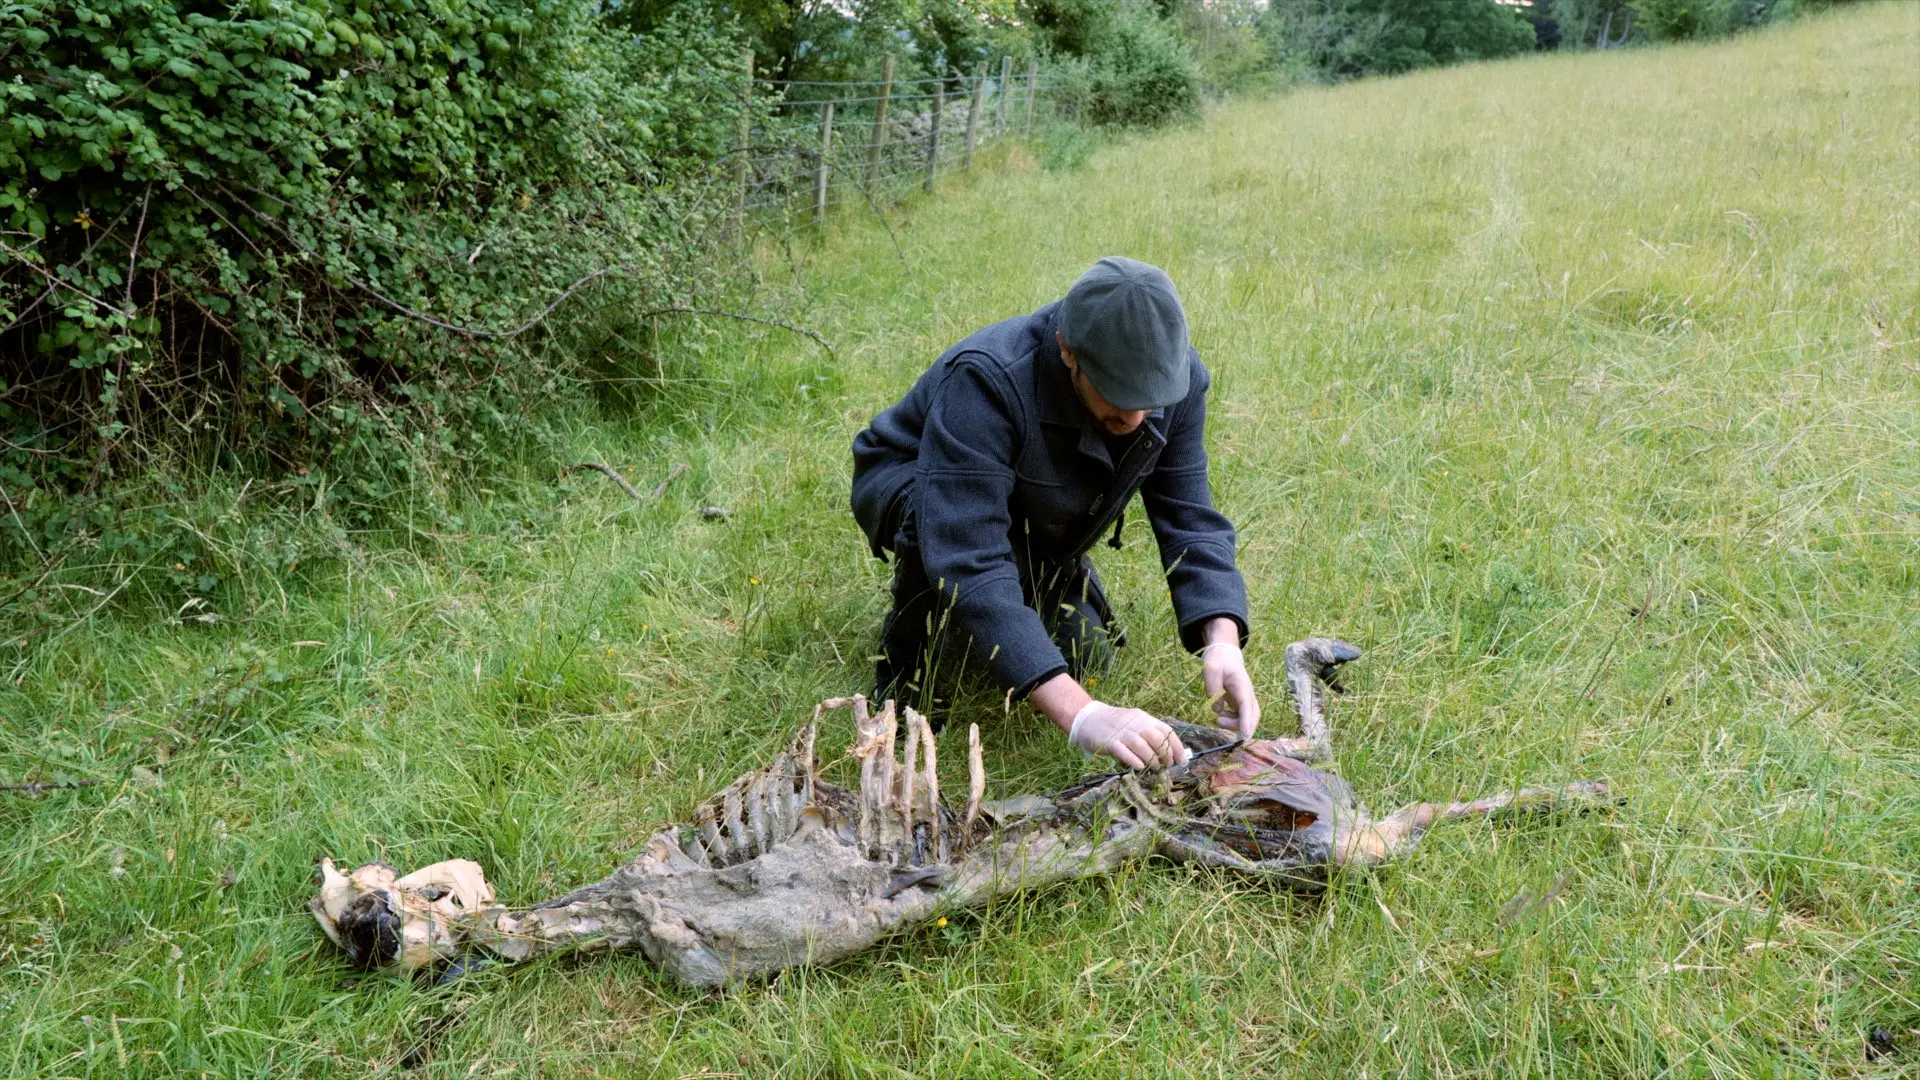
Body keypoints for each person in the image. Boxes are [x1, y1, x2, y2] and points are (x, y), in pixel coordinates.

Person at [849, 257, 1260, 770]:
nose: (1136, 418)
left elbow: (1189, 514)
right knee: (949, 553)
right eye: (1116, 393)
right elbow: (967, 556)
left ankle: (1033, 575)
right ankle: (911, 672)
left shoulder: (1175, 382)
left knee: (1086, 654)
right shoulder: (986, 379)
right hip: (919, 483)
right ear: (1068, 350)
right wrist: (1081, 714)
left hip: (1032, 506)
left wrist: (1221, 643)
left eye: (1148, 402)